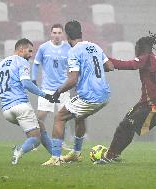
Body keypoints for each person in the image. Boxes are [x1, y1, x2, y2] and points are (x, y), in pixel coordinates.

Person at [99, 32, 156, 163]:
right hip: (147, 105)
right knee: (126, 125)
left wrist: (104, 59)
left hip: (153, 107)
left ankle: (109, 157)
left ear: (140, 48)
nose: (135, 52)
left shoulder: (146, 58)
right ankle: (113, 155)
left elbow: (128, 65)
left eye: (136, 49)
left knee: (125, 125)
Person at [42, 20, 114, 166]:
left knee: (60, 117)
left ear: (67, 36)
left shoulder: (73, 52)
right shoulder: (95, 46)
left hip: (90, 96)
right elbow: (110, 66)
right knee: (79, 117)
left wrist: (58, 91)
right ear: (80, 33)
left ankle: (55, 158)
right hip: (105, 95)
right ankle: (75, 153)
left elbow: (73, 80)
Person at [0, 38, 56, 165]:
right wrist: (44, 95)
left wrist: (9, 86)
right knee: (35, 139)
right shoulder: (21, 62)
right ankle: (19, 151)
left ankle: (56, 156)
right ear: (21, 49)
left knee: (40, 126)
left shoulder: (1, 64)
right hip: (21, 106)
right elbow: (26, 83)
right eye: (29, 51)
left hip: (6, 111)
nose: (31, 55)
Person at [31, 24, 72, 154]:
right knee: (40, 116)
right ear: (50, 33)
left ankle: (61, 142)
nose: (57, 35)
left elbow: (73, 66)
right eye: (54, 32)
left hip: (62, 89)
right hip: (47, 89)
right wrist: (33, 79)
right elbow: (36, 64)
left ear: (63, 34)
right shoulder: (43, 48)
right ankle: (36, 141)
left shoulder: (68, 48)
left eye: (59, 32)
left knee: (63, 117)